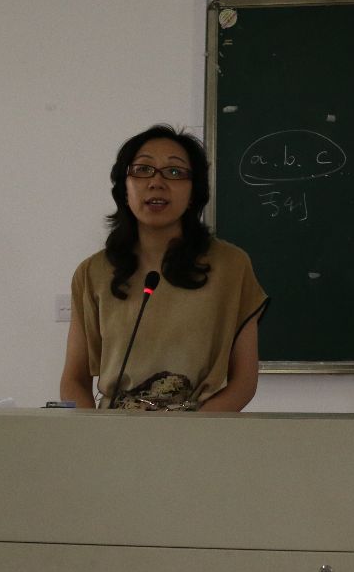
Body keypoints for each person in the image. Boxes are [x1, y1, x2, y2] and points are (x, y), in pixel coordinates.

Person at [59, 125, 268, 411]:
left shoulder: (231, 266)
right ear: (124, 188)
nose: (156, 182)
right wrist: (94, 430)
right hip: (114, 430)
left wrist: (190, 432)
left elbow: (244, 382)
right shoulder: (92, 273)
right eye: (143, 170)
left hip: (201, 428)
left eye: (174, 172)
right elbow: (74, 379)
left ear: (194, 192)